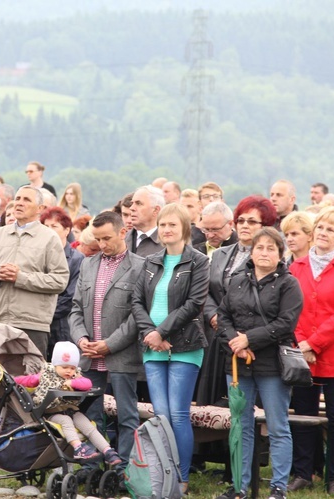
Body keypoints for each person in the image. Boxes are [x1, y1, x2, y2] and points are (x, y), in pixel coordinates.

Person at [215, 228, 304, 499]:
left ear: (280, 254)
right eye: (259, 247)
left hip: (273, 365)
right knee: (241, 426)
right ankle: (240, 487)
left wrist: (248, 340)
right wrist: (235, 343)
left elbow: (286, 324)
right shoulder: (237, 280)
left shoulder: (289, 284)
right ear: (251, 252)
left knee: (277, 426)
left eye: (270, 248)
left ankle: (278, 488)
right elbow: (223, 316)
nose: (264, 252)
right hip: (239, 364)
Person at [131, 203, 210, 495]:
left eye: (173, 225)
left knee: (177, 413)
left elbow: (194, 304)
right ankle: (160, 474)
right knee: (160, 414)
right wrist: (151, 333)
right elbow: (137, 302)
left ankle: (181, 477)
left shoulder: (199, 261)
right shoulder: (150, 261)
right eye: (163, 225)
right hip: (152, 346)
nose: (166, 230)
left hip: (185, 345)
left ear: (185, 229)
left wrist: (162, 331)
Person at [288, 207, 334, 494]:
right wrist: (302, 343)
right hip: (303, 353)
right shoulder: (297, 266)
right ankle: (304, 473)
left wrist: (314, 343)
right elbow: (290, 309)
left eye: (331, 229)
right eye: (320, 227)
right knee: (303, 414)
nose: (323, 233)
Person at [70, 210, 145, 471]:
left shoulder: (139, 266)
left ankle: (122, 470)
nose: (102, 245)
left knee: (127, 415)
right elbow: (76, 308)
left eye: (107, 238)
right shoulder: (88, 264)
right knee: (90, 415)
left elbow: (138, 316)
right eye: (98, 239)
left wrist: (109, 344)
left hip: (122, 355)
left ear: (123, 232)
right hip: (90, 355)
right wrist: (81, 338)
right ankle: (92, 468)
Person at [197, 196, 278, 406]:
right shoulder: (221, 254)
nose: (244, 226)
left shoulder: (269, 260)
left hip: (248, 339)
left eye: (252, 222)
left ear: (265, 226)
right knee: (213, 406)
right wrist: (213, 315)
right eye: (241, 220)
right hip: (217, 336)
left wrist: (232, 328)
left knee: (244, 408)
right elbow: (205, 290)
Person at [0, 186, 69, 356]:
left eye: (26, 200)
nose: (19, 203)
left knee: (29, 380)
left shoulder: (50, 238)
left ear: (40, 209)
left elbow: (59, 281)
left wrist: (21, 278)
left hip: (32, 324)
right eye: (17, 199)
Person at [14, 341, 121, 465]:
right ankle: (78, 448)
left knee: (88, 426)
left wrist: (72, 383)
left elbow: (88, 384)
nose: (68, 371)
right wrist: (13, 380)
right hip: (51, 413)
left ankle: (107, 450)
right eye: (64, 367)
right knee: (66, 421)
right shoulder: (46, 375)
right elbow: (29, 381)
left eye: (72, 368)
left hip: (71, 410)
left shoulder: (75, 377)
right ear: (55, 366)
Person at [41, 207, 84, 357]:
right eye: (46, 226)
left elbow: (71, 297)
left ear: (67, 230)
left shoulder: (77, 259)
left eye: (54, 226)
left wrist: (42, 312)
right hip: (39, 324)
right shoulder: (38, 256)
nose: (49, 230)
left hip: (62, 327)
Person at [126, 185, 164, 257]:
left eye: (138, 203)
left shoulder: (169, 244)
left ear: (156, 210)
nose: (131, 208)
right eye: (132, 203)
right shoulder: (121, 240)